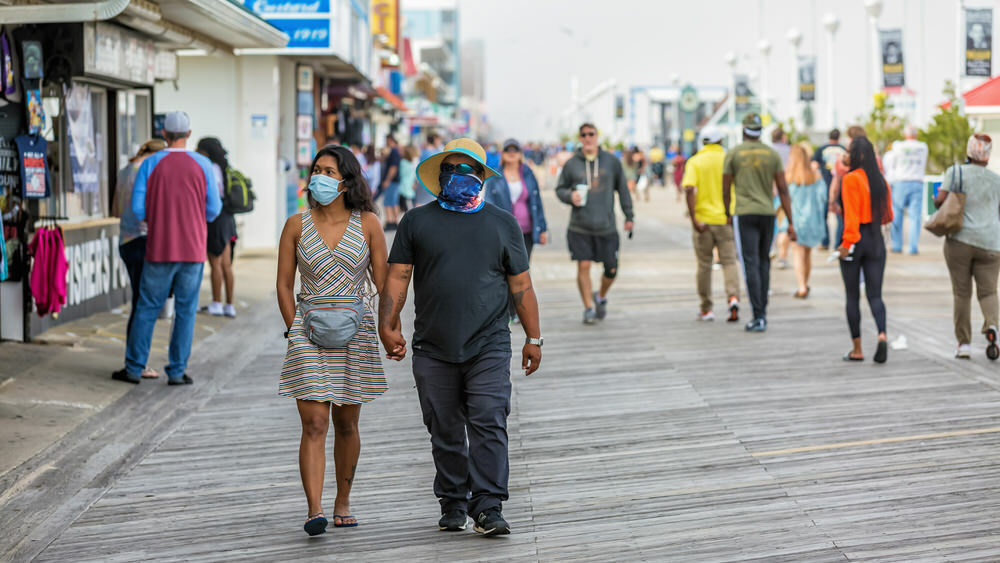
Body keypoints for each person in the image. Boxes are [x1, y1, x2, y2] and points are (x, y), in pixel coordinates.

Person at [379, 138, 542, 537]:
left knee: (489, 418)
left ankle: (487, 506)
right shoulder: (417, 221)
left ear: (481, 176)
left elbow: (521, 285)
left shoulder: (502, 222)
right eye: (450, 169)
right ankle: (453, 500)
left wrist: (534, 338)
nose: (458, 176)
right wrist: (388, 322)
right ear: (439, 177)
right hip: (433, 344)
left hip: (489, 341)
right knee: (444, 426)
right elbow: (398, 275)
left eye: (467, 169)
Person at [277, 145, 388, 536]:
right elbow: (283, 284)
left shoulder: (369, 223)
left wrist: (390, 328)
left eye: (328, 171)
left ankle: (343, 501)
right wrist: (294, 329)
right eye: (316, 169)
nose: (318, 177)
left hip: (355, 330)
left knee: (346, 422)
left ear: (346, 181)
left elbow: (384, 282)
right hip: (306, 330)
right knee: (314, 423)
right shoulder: (295, 224)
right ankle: (314, 508)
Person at [111, 111, 221, 385]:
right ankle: (177, 370)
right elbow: (214, 209)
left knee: (147, 308)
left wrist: (157, 219)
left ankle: (134, 368)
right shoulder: (204, 164)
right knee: (185, 310)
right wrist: (195, 220)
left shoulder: (150, 164)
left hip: (159, 248)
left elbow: (137, 209)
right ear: (189, 134)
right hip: (193, 249)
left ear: (164, 135)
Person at [555, 123, 635, 324]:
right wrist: (568, 195)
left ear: (597, 136)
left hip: (606, 226)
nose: (588, 138)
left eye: (591, 134)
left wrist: (629, 216)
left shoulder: (611, 162)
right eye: (584, 135)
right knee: (584, 265)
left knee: (612, 269)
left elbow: (623, 190)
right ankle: (588, 308)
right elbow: (559, 189)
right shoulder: (572, 164)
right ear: (580, 138)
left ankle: (600, 296)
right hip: (580, 226)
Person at [722, 113, 796, 332]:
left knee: (751, 263)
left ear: (744, 130)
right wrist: (791, 221)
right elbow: (783, 189)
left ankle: (758, 315)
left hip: (744, 214)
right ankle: (762, 310)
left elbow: (726, 188)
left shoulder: (734, 153)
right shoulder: (771, 154)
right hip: (767, 213)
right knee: (764, 261)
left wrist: (727, 213)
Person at [937, 134, 1000, 360]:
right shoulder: (996, 180)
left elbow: (939, 200)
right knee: (989, 291)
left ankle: (964, 344)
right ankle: (992, 326)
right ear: (988, 154)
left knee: (962, 293)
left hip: (960, 241)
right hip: (992, 243)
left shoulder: (956, 172)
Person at [112, 138, 167, 379]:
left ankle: (134, 361)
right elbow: (147, 211)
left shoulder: (125, 170)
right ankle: (137, 364)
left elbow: (115, 209)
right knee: (144, 306)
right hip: (144, 241)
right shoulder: (147, 172)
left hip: (125, 241)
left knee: (139, 303)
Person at [838, 136, 893, 363]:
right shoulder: (881, 181)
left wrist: (846, 244)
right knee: (875, 295)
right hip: (875, 240)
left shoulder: (850, 179)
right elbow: (888, 216)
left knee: (852, 296)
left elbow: (851, 217)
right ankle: (881, 334)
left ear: (855, 155)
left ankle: (857, 349)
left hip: (856, 240)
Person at [682, 125, 740, 322]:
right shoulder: (728, 159)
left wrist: (694, 218)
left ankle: (706, 308)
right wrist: (731, 213)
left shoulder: (695, 161)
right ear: (721, 141)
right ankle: (733, 297)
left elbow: (689, 189)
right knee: (729, 262)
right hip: (725, 219)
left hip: (703, 220)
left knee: (704, 265)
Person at [484, 138, 549, 259]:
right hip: (504, 231)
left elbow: (537, 201)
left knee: (523, 269)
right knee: (504, 268)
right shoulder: (494, 176)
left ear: (520, 154)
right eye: (508, 149)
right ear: (502, 153)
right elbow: (488, 204)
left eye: (515, 149)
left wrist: (542, 228)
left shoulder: (528, 174)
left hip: (526, 230)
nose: (511, 152)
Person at [196, 137, 238, 318]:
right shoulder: (224, 167)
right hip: (229, 219)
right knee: (226, 264)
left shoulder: (210, 169)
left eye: (199, 149)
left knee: (215, 263)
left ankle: (216, 303)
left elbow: (210, 196)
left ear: (206, 152)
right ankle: (229, 305)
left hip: (216, 219)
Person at [786, 143, 828, 298]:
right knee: (808, 254)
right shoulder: (815, 175)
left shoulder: (789, 177)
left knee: (797, 254)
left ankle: (801, 285)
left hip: (796, 221)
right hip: (813, 221)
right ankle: (806, 283)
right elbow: (823, 197)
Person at [884, 125, 928, 255]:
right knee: (915, 217)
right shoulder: (923, 147)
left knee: (897, 215)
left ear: (905, 134)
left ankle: (897, 245)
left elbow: (891, 161)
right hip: (917, 182)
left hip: (900, 182)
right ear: (916, 134)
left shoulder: (898, 146)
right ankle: (913, 246)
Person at [812, 129, 848, 249]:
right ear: (839, 137)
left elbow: (814, 165)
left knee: (823, 216)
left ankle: (825, 241)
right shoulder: (843, 150)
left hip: (824, 185)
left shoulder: (822, 149)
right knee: (840, 216)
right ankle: (839, 243)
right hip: (841, 185)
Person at [771, 128, 792, 269]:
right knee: (783, 225)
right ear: (783, 137)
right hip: (787, 190)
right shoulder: (790, 151)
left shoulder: (767, 151)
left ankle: (770, 249)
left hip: (769, 192)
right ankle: (782, 257)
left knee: (771, 224)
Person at [379, 135, 402, 230]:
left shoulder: (394, 152)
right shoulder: (395, 151)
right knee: (393, 202)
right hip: (395, 181)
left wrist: (387, 180)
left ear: (390, 140)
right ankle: (394, 221)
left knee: (388, 202)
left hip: (392, 181)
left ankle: (390, 221)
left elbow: (393, 168)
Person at [397, 144, 419, 212]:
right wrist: (416, 183)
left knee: (405, 209)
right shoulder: (414, 162)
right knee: (409, 209)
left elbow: (401, 174)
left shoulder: (403, 162)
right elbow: (416, 175)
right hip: (410, 188)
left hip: (403, 188)